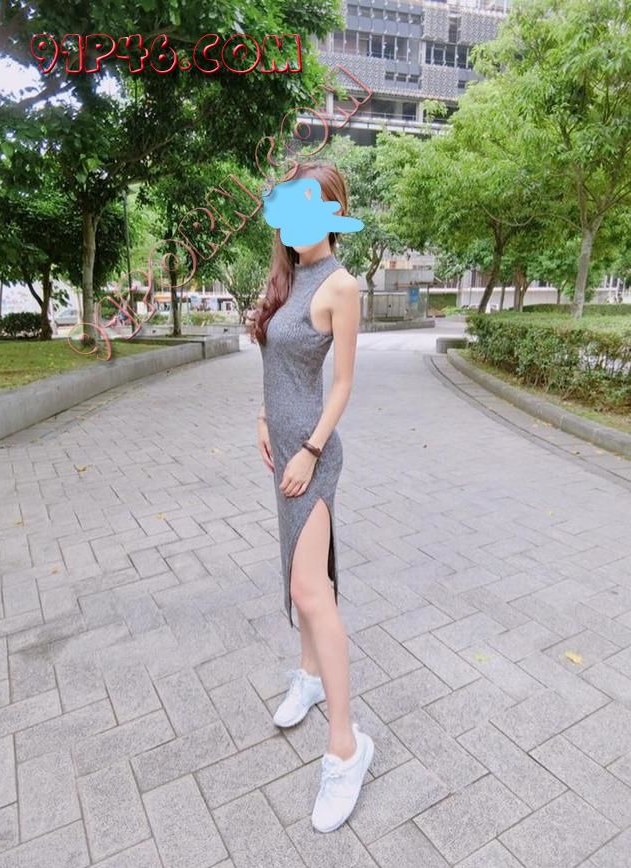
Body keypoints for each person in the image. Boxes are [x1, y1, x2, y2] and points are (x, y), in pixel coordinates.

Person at [248, 160, 373, 833]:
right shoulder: (286, 277)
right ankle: (309, 675)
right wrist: (265, 418)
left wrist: (310, 450)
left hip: (313, 458)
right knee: (300, 574)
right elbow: (274, 363)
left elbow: (344, 383)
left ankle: (346, 747)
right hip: (283, 449)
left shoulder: (340, 285)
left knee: (309, 589)